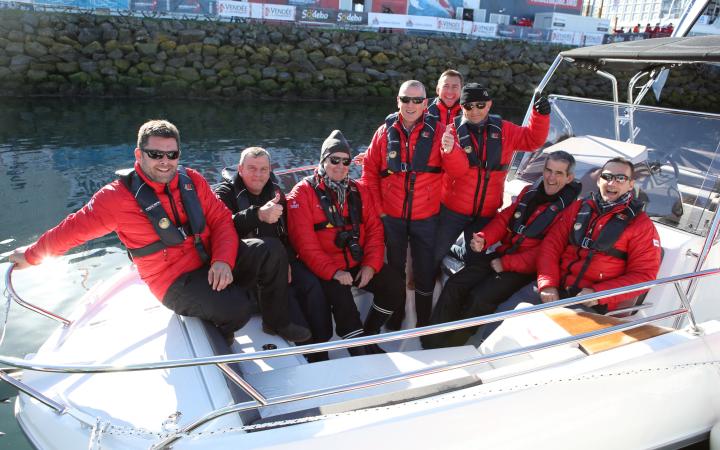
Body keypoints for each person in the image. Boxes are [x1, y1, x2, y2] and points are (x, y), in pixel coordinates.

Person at [8, 120, 310, 345]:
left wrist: (223, 261)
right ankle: (223, 331)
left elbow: (221, 221)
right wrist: (32, 256)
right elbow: (71, 231)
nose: (165, 162)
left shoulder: (191, 180)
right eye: (156, 154)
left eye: (172, 154)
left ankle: (276, 321)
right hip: (174, 280)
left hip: (209, 261)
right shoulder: (115, 199)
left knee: (270, 249)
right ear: (139, 154)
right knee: (237, 308)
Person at [479, 157, 662, 341]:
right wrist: (548, 283)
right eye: (607, 176)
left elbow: (644, 276)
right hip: (555, 287)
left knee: (542, 338)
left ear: (631, 184)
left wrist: (598, 294)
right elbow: (551, 246)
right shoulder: (578, 208)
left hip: (590, 301)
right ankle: (480, 357)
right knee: (502, 317)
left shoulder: (641, 226)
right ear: (599, 181)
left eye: (620, 178)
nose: (612, 182)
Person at [422, 151, 580, 349]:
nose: (551, 177)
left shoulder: (571, 212)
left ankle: (456, 347)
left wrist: (506, 264)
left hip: (526, 270)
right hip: (502, 255)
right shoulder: (530, 192)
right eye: (548, 170)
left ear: (569, 178)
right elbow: (505, 218)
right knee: (456, 283)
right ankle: (430, 341)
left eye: (558, 173)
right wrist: (485, 238)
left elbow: (548, 252)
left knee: (480, 297)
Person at [288, 130, 405, 356]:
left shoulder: (359, 190)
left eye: (346, 161)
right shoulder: (301, 194)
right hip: (325, 268)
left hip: (356, 261)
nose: (340, 166)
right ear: (323, 160)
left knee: (394, 286)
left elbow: (374, 230)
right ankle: (358, 350)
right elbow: (305, 245)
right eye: (334, 160)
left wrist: (371, 265)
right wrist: (334, 272)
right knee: (345, 307)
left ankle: (369, 334)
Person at [361, 80, 467, 328]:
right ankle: (394, 319)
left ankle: (423, 323)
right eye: (405, 99)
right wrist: (379, 212)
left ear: (425, 103)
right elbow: (369, 172)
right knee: (395, 270)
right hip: (391, 218)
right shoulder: (382, 133)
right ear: (398, 101)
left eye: (417, 100)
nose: (411, 105)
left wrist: (451, 151)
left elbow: (460, 171)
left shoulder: (442, 132)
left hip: (426, 217)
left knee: (425, 272)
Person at [214, 147, 330, 360]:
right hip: (244, 266)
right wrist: (257, 215)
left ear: (270, 172)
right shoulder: (224, 194)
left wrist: (285, 259)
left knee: (312, 285)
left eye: (263, 169)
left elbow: (285, 235)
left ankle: (323, 348)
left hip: (279, 258)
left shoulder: (276, 192)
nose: (258, 174)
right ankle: (308, 355)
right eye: (251, 168)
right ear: (240, 169)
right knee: (292, 300)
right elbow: (220, 229)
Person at [432, 83, 551, 269]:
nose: (474, 111)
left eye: (480, 105)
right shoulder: (450, 132)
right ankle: (422, 289)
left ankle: (455, 253)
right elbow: (457, 170)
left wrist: (540, 115)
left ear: (489, 104)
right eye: (468, 106)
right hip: (452, 210)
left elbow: (532, 140)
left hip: (486, 213)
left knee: (475, 261)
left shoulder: (505, 130)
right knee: (433, 254)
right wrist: (449, 150)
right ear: (461, 107)